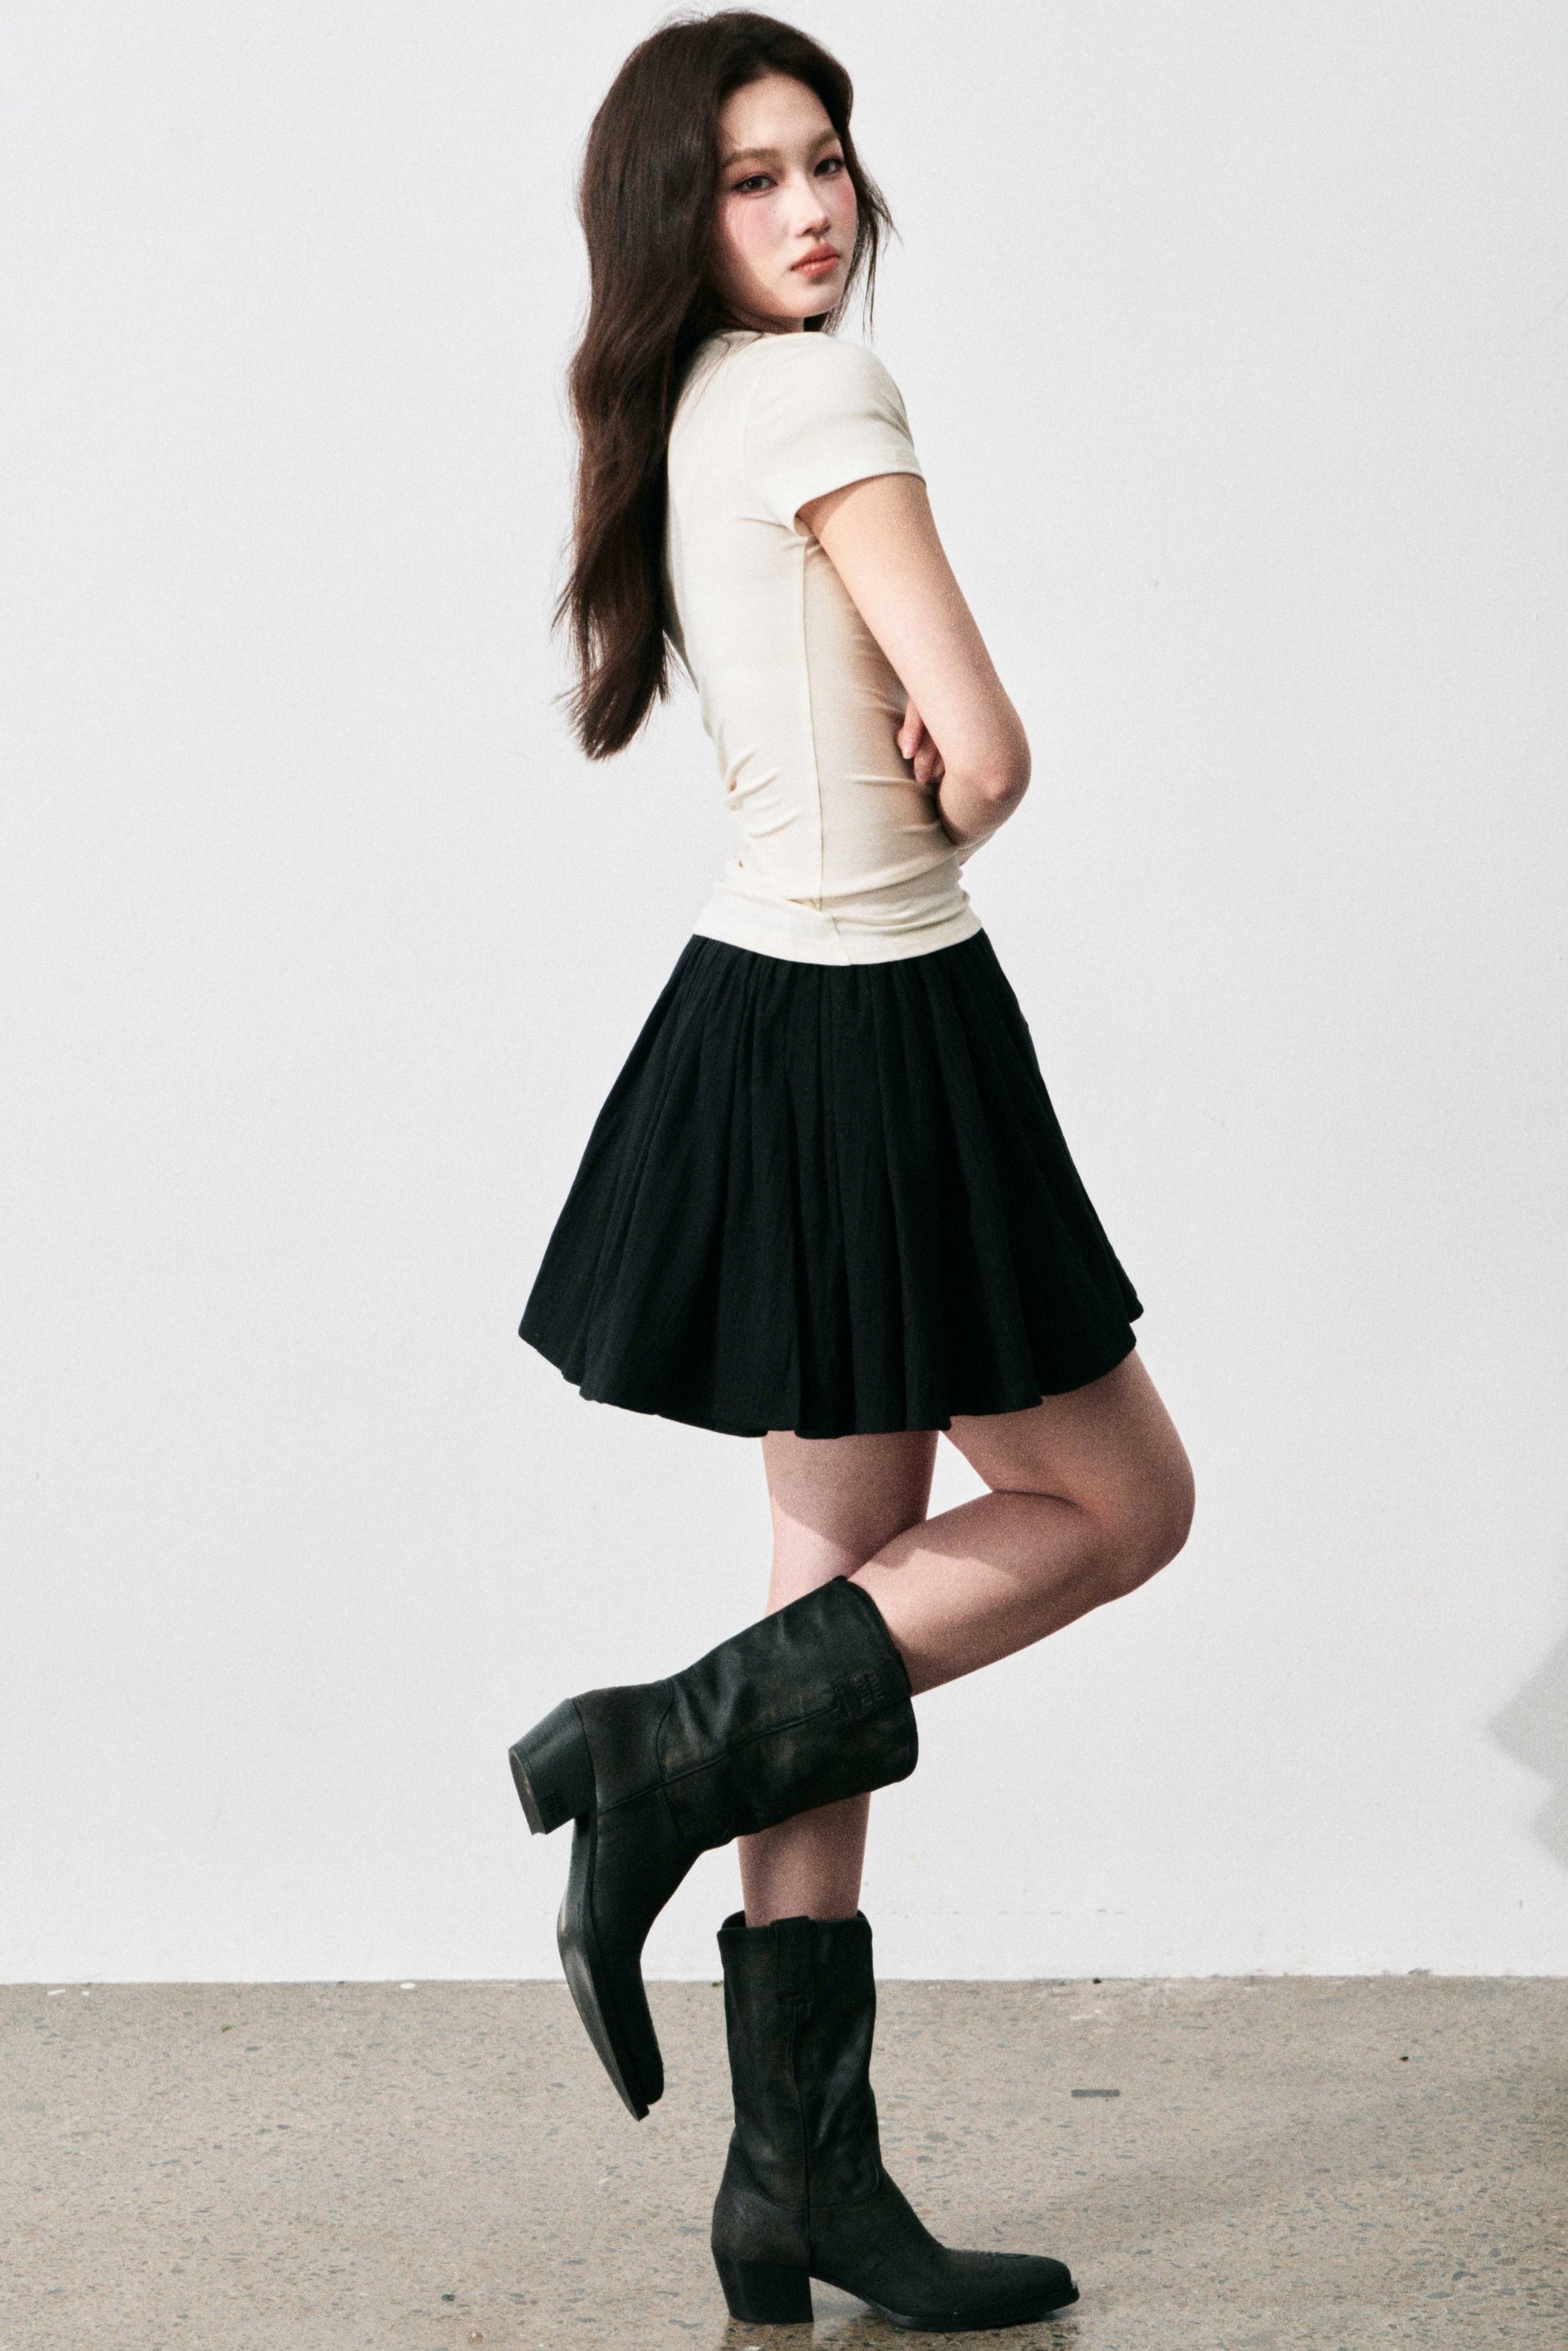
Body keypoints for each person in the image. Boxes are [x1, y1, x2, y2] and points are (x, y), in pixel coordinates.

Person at [510, 11, 1195, 2332]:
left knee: (841, 1577)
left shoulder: (685, 406)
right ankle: (654, 1753)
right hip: (879, 1028)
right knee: (1122, 1506)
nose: (812, 209)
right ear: (674, 213)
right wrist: (956, 774)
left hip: (756, 1012)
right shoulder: (817, 397)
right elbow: (983, 755)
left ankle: (793, 2185)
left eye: (825, 161)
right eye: (752, 178)